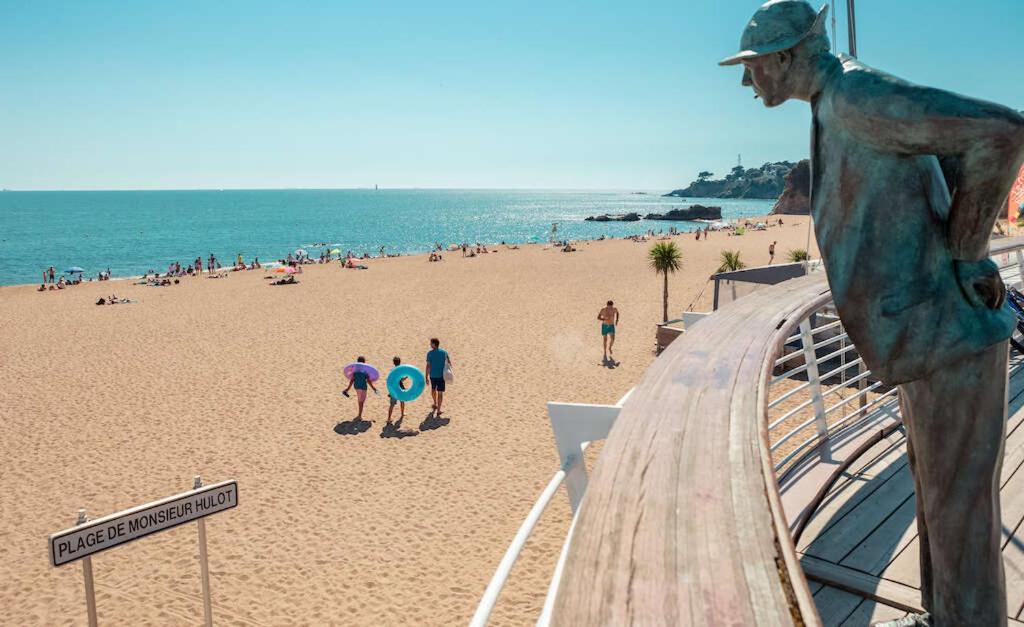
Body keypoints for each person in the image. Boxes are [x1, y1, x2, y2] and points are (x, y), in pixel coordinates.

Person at [721, 2, 1024, 624]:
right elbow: (944, 155)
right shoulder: (834, 102)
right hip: (924, 335)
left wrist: (968, 254)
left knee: (959, 510)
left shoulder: (856, 94)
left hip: (951, 336)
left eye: (751, 68)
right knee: (939, 501)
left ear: (784, 58)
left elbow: (1002, 133)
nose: (746, 83)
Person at [424, 338, 452, 417]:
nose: (430, 345)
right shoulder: (444, 352)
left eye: (431, 343)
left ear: (434, 344)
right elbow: (449, 363)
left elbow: (428, 366)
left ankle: (436, 405)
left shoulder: (429, 353)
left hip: (433, 376)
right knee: (439, 392)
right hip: (441, 376)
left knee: (434, 391)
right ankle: (437, 407)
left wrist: (426, 376)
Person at [386, 356, 407, 425]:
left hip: (394, 389)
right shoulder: (400, 370)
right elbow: (401, 380)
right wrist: (406, 377)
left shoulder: (392, 370)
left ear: (393, 363)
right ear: (400, 362)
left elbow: (389, 380)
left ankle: (388, 418)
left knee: (392, 405)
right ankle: (402, 413)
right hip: (400, 388)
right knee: (402, 401)